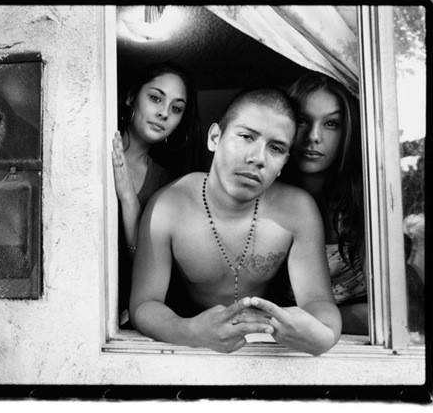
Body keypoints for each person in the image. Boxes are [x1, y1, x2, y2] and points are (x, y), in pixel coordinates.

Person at [129, 87, 341, 356]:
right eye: (246, 137)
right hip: (193, 356)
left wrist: (324, 335)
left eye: (275, 148)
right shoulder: (169, 205)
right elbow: (144, 304)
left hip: (265, 353)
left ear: (283, 163)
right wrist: (190, 331)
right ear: (215, 138)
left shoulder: (297, 209)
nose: (258, 158)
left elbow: (318, 301)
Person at [112, 62, 202, 327]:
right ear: (131, 97)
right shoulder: (92, 146)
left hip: (125, 315)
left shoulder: (167, 183)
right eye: (155, 98)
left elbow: (145, 267)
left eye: (176, 108)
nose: (164, 113)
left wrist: (129, 199)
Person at [285, 72, 367, 335]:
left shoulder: (365, 204)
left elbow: (388, 315)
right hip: (287, 343)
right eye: (302, 120)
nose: (313, 136)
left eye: (331, 124)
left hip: (361, 343)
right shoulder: (265, 202)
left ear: (347, 131)